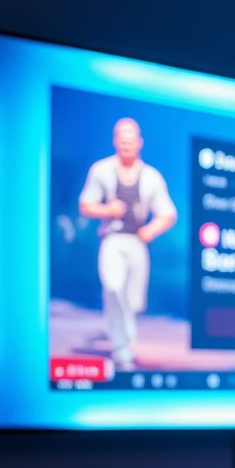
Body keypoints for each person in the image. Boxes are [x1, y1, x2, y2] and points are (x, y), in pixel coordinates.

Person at [78, 117, 177, 369]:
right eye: (122, 139)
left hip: (137, 243)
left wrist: (151, 230)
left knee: (132, 300)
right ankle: (122, 351)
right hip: (112, 239)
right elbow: (86, 204)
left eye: (131, 139)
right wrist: (108, 209)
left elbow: (168, 213)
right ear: (115, 141)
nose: (126, 144)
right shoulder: (101, 170)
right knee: (113, 287)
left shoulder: (152, 177)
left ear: (139, 143)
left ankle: (125, 342)